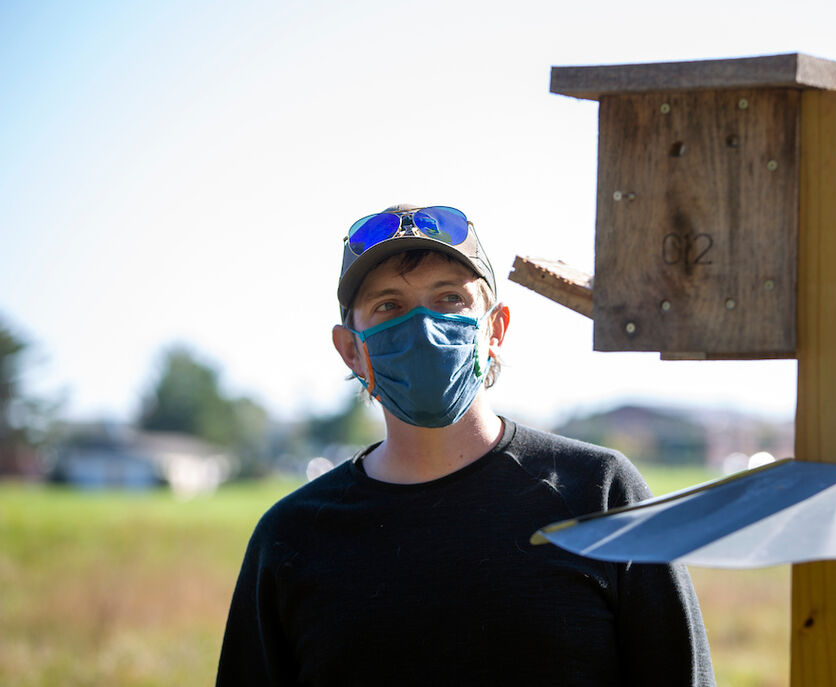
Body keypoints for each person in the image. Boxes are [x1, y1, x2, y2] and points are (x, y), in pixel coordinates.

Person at [216, 205, 715, 686]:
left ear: (495, 329)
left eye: (449, 298)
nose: (424, 327)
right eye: (389, 305)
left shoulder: (600, 495)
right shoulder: (292, 539)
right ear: (351, 349)